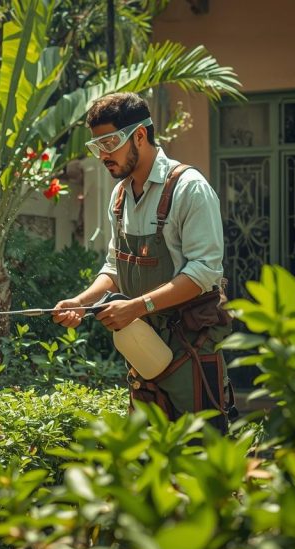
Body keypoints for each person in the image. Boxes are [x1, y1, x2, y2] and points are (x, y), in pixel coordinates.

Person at [52, 92, 234, 433]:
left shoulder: (189, 189)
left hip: (190, 345)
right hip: (143, 346)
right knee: (147, 459)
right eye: (97, 146)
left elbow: (204, 272)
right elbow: (114, 268)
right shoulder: (119, 196)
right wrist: (80, 302)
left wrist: (136, 307)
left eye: (109, 142)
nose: (103, 154)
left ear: (140, 135)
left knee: (202, 455)